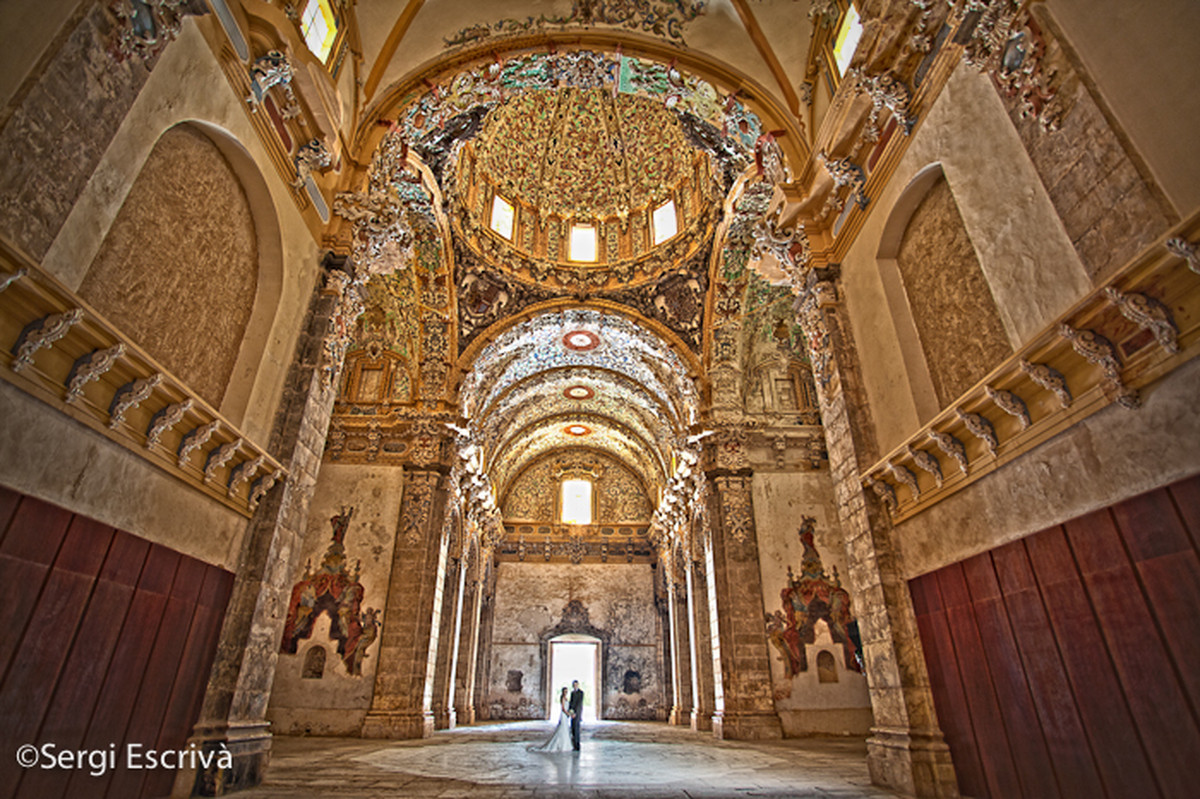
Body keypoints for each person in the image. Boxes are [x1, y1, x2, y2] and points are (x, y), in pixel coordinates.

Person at [530, 687, 574, 753]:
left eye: (567, 691)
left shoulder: (566, 698)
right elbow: (563, 708)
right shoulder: (562, 698)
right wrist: (568, 713)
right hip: (563, 714)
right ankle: (560, 744)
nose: (566, 692)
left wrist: (570, 713)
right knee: (562, 728)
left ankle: (565, 744)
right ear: (562, 691)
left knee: (565, 729)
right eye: (565, 691)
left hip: (566, 715)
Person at [569, 680, 584, 750]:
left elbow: (579, 704)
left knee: (577, 728)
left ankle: (577, 744)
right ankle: (573, 743)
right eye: (574, 685)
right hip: (572, 713)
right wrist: (571, 712)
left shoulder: (581, 693)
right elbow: (571, 703)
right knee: (573, 728)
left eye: (576, 685)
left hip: (577, 713)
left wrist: (575, 713)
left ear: (578, 685)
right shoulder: (572, 693)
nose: (575, 686)